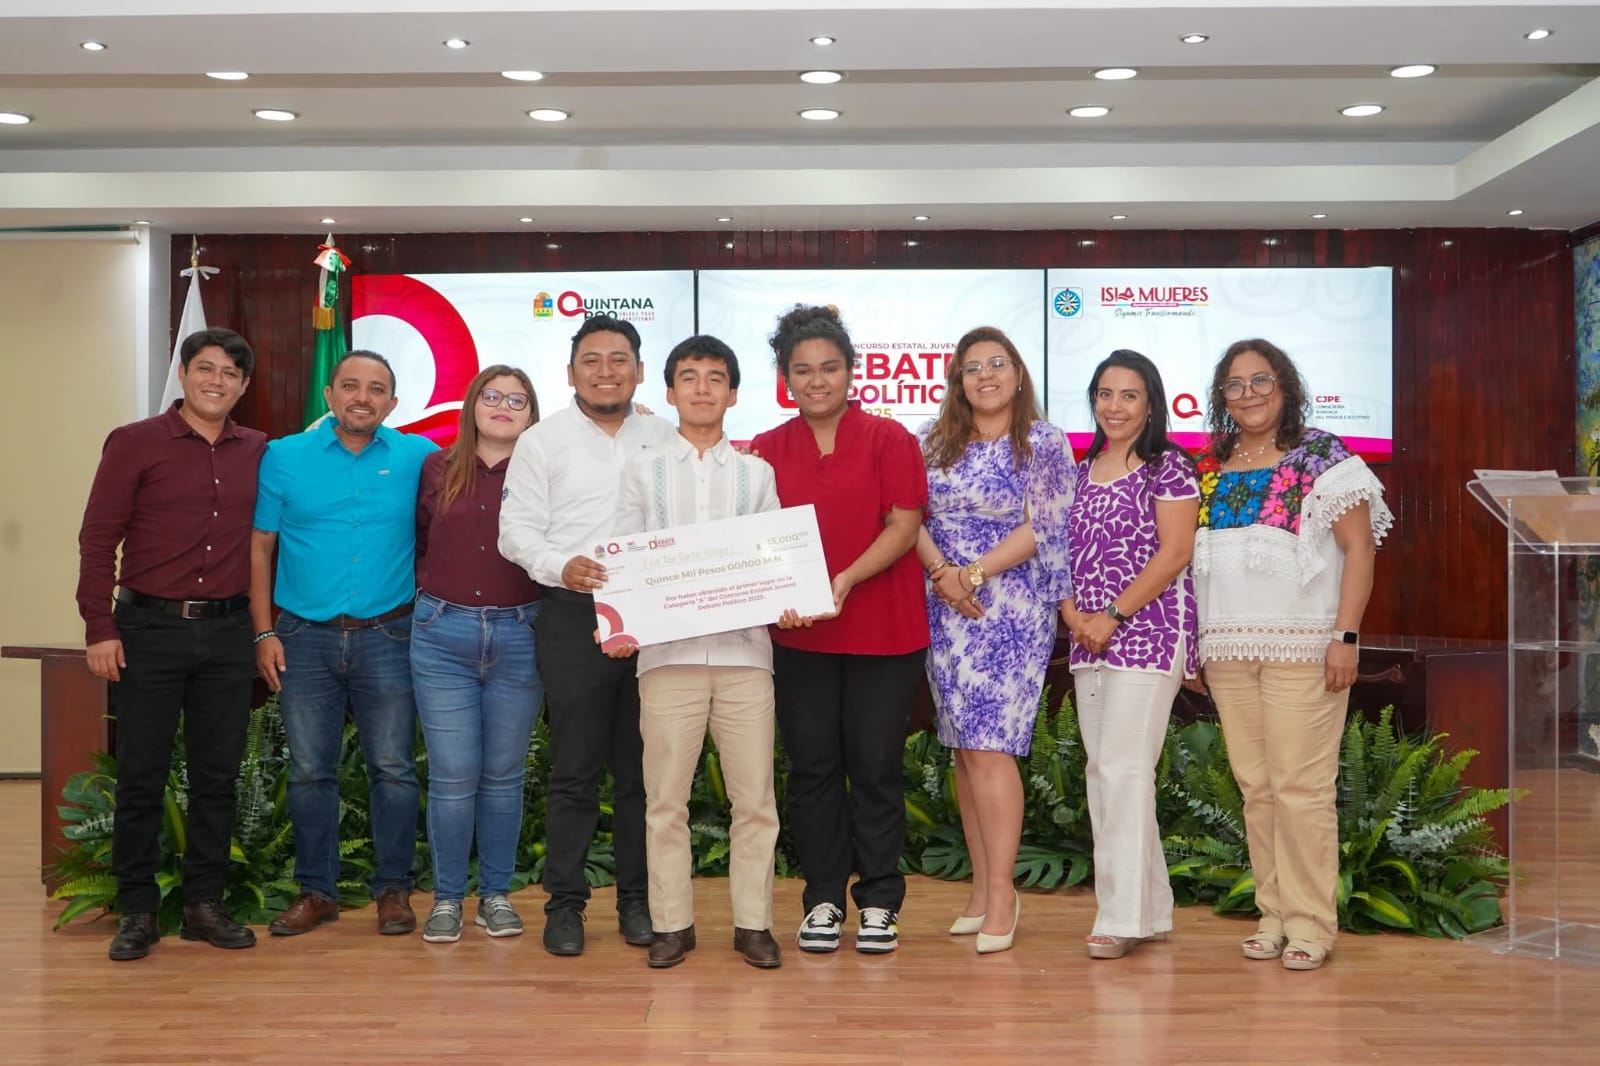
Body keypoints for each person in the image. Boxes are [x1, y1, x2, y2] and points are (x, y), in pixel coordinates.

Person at [1189, 338, 1391, 972]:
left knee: (1301, 788)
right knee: (1257, 789)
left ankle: (1311, 924)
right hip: (1228, 649)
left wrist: (1346, 637)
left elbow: (1360, 550)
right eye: (1235, 384)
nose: (1248, 394)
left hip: (1304, 647)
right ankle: (1273, 915)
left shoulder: (1323, 455)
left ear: (1286, 386)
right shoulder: (1209, 465)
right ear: (1221, 396)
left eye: (1261, 380)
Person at [77, 328, 266, 961]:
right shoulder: (134, 442)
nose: (217, 381)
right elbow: (98, 539)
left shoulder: (259, 450)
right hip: (148, 631)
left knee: (217, 776)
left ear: (244, 385)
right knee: (141, 773)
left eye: (230, 373)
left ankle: (203, 904)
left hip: (228, 632)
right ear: (182, 374)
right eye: (205, 368)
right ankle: (137, 909)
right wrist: (99, 627)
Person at [750, 304, 929, 955]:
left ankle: (879, 901)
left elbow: (904, 525)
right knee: (813, 768)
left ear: (852, 372)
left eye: (829, 368)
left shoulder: (890, 439)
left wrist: (846, 579)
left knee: (877, 767)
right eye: (803, 370)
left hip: (885, 632)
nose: (817, 381)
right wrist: (777, 593)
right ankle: (823, 897)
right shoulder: (764, 450)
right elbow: (752, 541)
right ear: (786, 379)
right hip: (801, 637)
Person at [498, 314, 677, 956]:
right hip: (575, 612)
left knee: (642, 772)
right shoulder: (540, 441)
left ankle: (636, 901)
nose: (606, 371)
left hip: (657, 615)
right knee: (574, 769)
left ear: (639, 369)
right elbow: (515, 533)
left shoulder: (667, 435)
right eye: (592, 360)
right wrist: (560, 566)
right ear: (570, 372)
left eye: (619, 359)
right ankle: (565, 905)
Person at [607, 335, 784, 970]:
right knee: (664, 803)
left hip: (745, 657)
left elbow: (773, 558)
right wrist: (620, 623)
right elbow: (623, 554)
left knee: (754, 802)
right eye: (689, 376)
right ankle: (671, 925)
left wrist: (785, 592)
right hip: (665, 658)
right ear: (669, 391)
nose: (702, 388)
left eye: (715, 377)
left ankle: (753, 925)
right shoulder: (642, 470)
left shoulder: (757, 474)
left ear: (732, 394)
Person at [250, 350, 437, 937]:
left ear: (393, 403)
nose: (363, 397)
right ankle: (317, 892)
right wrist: (263, 631)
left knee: (394, 769)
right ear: (329, 395)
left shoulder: (419, 457)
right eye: (351, 386)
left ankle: (393, 890)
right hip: (302, 638)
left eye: (377, 389)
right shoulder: (283, 456)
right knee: (310, 771)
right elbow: (260, 548)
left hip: (389, 635)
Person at [915, 326, 1074, 956]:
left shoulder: (1043, 440)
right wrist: (942, 574)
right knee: (963, 748)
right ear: (957, 379)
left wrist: (971, 575)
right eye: (973, 367)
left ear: (1018, 373)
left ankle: (1005, 895)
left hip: (1009, 607)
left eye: (997, 363)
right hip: (943, 605)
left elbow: (1046, 525)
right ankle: (981, 890)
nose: (986, 375)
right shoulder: (931, 440)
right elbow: (906, 514)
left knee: (990, 748)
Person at [1061, 349, 1199, 960]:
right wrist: (1074, 616)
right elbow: (1062, 555)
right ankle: (1151, 909)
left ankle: (1120, 917)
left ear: (1150, 404)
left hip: (1148, 633)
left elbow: (1174, 553)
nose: (1114, 407)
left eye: (1128, 395)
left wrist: (1113, 616)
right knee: (1106, 771)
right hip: (1087, 638)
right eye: (1104, 394)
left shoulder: (1168, 467)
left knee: (1123, 769)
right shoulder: (1081, 469)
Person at [412, 366, 544, 944]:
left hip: (520, 635)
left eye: (517, 400)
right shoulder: (437, 467)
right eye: (492, 395)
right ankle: (446, 899)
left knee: (503, 777)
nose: (503, 406)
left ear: (532, 415)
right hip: (443, 635)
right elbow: (420, 542)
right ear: (472, 404)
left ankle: (495, 896)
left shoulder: (544, 473)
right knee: (452, 776)